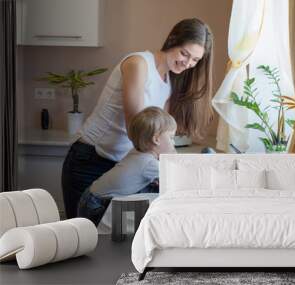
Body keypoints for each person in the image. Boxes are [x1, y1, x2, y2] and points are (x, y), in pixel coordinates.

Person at [62, 18, 214, 218]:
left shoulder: (168, 83)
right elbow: (139, 130)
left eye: (195, 60)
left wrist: (173, 166)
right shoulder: (138, 63)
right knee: (80, 239)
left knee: (108, 242)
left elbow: (161, 135)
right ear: (172, 40)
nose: (187, 63)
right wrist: (170, 170)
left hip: (120, 166)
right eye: (184, 53)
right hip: (89, 160)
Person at [77, 107, 177, 226]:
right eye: (171, 138)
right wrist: (172, 154)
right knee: (104, 238)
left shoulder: (136, 152)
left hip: (90, 197)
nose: (173, 143)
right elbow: (177, 175)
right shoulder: (149, 164)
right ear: (156, 139)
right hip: (98, 205)